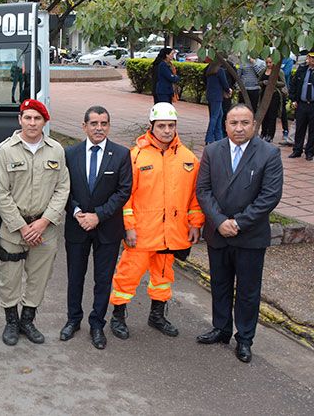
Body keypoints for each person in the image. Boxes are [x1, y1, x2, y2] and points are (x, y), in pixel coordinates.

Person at [108, 102, 204, 340]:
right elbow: (125, 196)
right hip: (141, 233)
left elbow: (196, 196)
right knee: (128, 275)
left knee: (163, 278)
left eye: (171, 125)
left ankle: (157, 316)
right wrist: (128, 228)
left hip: (172, 234)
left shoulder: (188, 158)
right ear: (151, 126)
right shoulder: (136, 156)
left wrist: (195, 223)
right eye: (161, 126)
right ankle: (117, 317)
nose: (167, 130)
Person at [195, 104, 283, 363]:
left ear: (253, 125)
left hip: (250, 236)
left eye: (245, 123)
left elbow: (270, 196)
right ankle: (221, 328)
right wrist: (220, 221)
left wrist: (238, 223)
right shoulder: (212, 151)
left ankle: (244, 338)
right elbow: (203, 190)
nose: (239, 128)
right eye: (233, 123)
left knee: (247, 290)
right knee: (219, 284)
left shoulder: (269, 153)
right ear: (225, 125)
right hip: (218, 233)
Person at [0, 99, 70, 346]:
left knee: (39, 278)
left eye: (37, 118)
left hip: (45, 229)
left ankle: (27, 320)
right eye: (27, 117)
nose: (32, 123)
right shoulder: (5, 150)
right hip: (14, 229)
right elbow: (0, 193)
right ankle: (11, 322)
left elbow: (62, 188)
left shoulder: (56, 150)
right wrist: (23, 227)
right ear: (20, 120)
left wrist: (44, 222)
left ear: (45, 122)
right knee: (10, 278)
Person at [61, 106, 132, 350]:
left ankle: (97, 324)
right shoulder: (70, 154)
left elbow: (124, 191)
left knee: (103, 279)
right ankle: (73, 320)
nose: (99, 128)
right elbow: (63, 189)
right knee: (75, 276)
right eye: (94, 123)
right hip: (77, 226)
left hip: (107, 228)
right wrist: (77, 212)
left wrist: (98, 216)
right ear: (84, 126)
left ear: (109, 126)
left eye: (104, 123)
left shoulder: (121, 154)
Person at [288, 51, 314, 160]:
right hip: (302, 103)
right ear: (308, 57)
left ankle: (310, 152)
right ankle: (297, 150)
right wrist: (293, 99)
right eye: (311, 57)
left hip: (312, 104)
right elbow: (293, 84)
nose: (312, 60)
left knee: (312, 130)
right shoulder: (302, 69)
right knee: (299, 128)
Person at [258, 56, 288, 142]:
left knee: (272, 115)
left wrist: (273, 83)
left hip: (274, 95)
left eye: (270, 62)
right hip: (264, 94)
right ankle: (263, 132)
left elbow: (283, 83)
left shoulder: (278, 71)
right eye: (267, 62)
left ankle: (270, 135)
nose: (268, 64)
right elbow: (258, 81)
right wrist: (263, 83)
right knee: (264, 114)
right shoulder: (263, 71)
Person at [204, 59, 232, 144]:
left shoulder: (210, 70)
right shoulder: (220, 71)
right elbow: (224, 83)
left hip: (210, 95)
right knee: (215, 117)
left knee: (219, 115)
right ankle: (209, 138)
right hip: (217, 96)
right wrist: (228, 90)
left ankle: (218, 137)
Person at [280, 55, 296, 144]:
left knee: (283, 112)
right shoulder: (276, 58)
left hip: (283, 90)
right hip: (272, 89)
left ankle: (285, 130)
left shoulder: (289, 60)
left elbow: (286, 73)